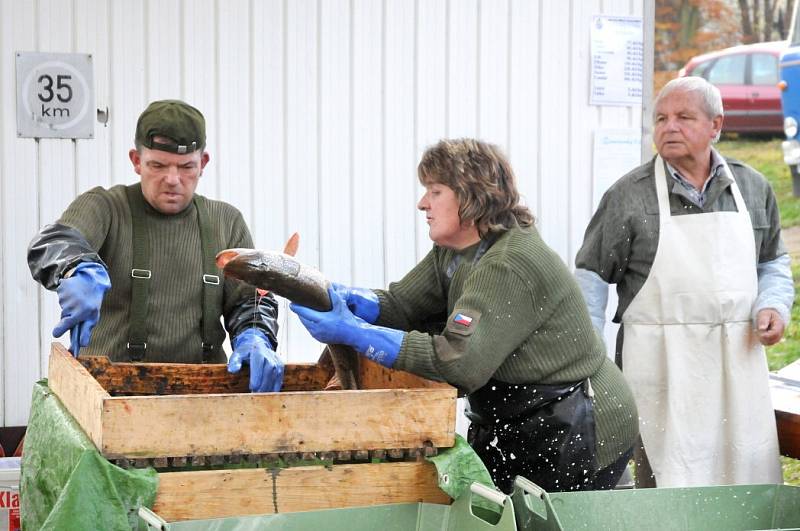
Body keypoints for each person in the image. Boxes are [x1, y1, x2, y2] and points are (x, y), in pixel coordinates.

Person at [290, 138, 639, 493]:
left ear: (471, 196)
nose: (422, 203)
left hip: (576, 421)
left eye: (435, 191)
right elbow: (401, 305)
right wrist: (352, 299)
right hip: (516, 417)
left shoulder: (507, 263)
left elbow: (458, 364)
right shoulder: (456, 251)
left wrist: (356, 333)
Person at [575, 76, 795, 487]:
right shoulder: (628, 196)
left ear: (716, 125)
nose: (669, 127)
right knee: (668, 483)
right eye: (661, 118)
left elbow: (773, 261)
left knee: (742, 477)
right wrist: (593, 358)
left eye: (683, 117)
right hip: (660, 368)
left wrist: (774, 305)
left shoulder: (751, 186)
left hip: (737, 363)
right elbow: (590, 277)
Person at [27, 100, 283, 393]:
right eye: (157, 165)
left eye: (186, 167)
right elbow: (52, 242)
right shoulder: (106, 208)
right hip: (106, 394)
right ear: (136, 160)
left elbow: (250, 302)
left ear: (204, 164)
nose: (172, 180)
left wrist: (256, 335)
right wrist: (75, 267)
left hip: (203, 396)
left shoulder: (226, 221)